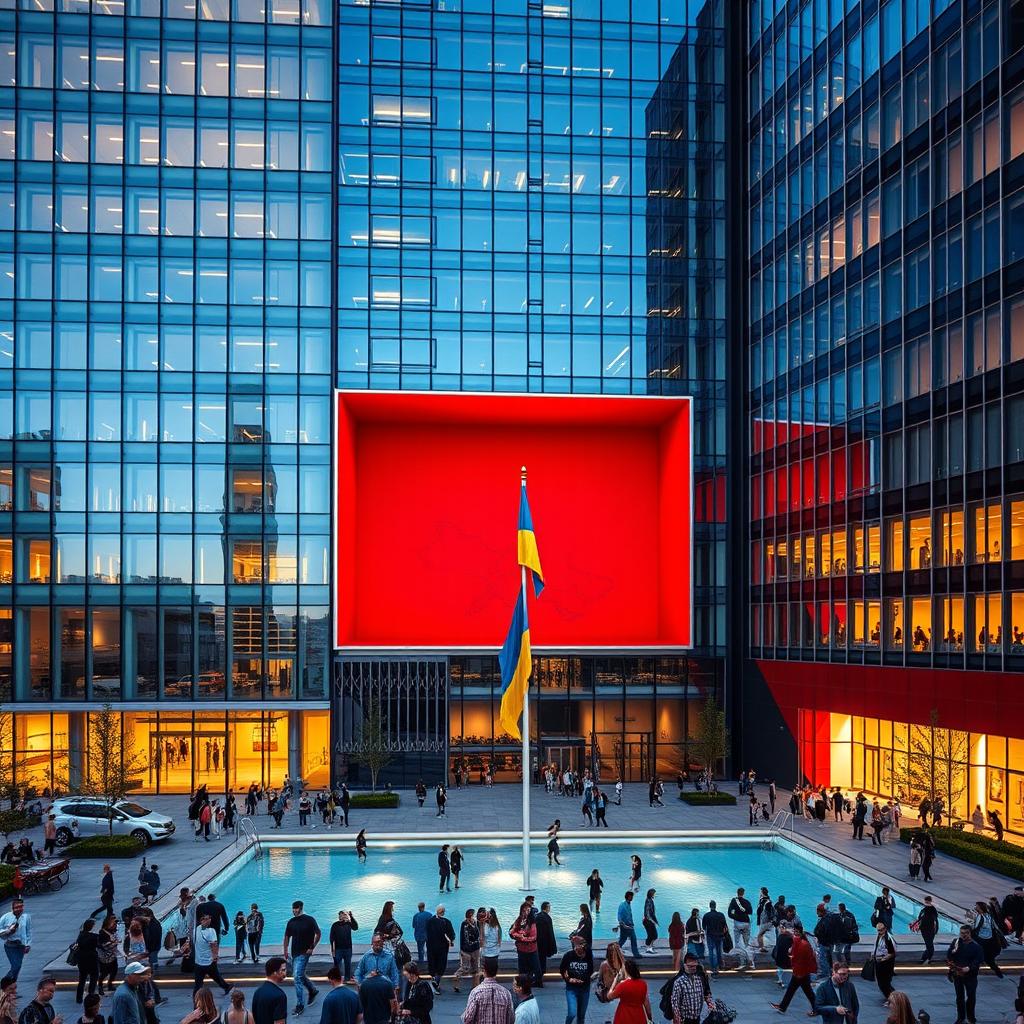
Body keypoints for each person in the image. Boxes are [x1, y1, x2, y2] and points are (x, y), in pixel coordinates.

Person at [769, 922, 816, 1014]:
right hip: (801, 971)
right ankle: (782, 1007)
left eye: (795, 931)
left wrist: (791, 953)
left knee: (803, 991)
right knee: (803, 991)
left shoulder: (802, 944)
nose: (794, 933)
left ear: (799, 932)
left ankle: (782, 1007)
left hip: (800, 972)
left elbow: (797, 955)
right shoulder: (802, 942)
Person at [283, 900, 320, 1014]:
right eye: (293, 908)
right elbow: (287, 936)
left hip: (304, 953)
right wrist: (285, 950)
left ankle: (300, 1005)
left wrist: (312, 947)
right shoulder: (291, 922)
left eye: (296, 908)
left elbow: (318, 933)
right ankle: (312, 990)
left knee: (297, 976)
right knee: (300, 974)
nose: (294, 910)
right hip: (295, 953)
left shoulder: (309, 920)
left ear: (301, 908)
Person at [946, 924, 983, 1024]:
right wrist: (952, 950)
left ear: (970, 933)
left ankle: (971, 1017)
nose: (964, 935)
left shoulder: (976, 947)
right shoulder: (956, 942)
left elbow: (978, 960)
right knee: (959, 997)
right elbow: (949, 956)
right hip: (958, 975)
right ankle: (961, 1017)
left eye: (966, 933)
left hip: (970, 976)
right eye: (962, 933)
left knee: (971, 997)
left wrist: (969, 968)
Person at [192, 911, 232, 997]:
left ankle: (226, 986)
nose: (208, 920)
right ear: (201, 920)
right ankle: (226, 986)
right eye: (206, 919)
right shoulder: (211, 931)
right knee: (212, 976)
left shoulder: (196, 930)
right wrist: (215, 956)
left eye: (209, 918)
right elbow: (214, 945)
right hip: (208, 961)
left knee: (202, 982)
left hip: (199, 962)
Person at [461, 959, 513, 1024]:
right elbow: (510, 1018)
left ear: (484, 971)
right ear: (496, 971)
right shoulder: (506, 993)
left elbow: (467, 1018)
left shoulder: (476, 992)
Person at [668, 953, 714, 1024]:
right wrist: (677, 1018)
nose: (693, 968)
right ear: (685, 965)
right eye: (690, 966)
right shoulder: (679, 981)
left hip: (697, 1017)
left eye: (695, 966)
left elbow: (706, 993)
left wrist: (710, 1004)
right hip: (685, 1019)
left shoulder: (700, 979)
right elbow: (675, 1002)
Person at [559, 934, 593, 1024]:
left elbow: (591, 970)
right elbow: (563, 970)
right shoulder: (568, 955)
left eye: (584, 945)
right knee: (572, 1013)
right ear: (575, 945)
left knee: (581, 1016)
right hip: (571, 988)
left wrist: (584, 979)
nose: (583, 948)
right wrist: (569, 979)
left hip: (585, 988)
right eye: (580, 945)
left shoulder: (589, 955)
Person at [607, 959, 650, 1024]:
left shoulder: (623, 985)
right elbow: (646, 1004)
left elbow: (609, 996)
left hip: (623, 1017)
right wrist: (650, 1017)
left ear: (626, 971)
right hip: (639, 1017)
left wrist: (614, 981)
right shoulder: (643, 984)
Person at [425, 907, 454, 995]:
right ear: (443, 912)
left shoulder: (429, 921)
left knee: (432, 965)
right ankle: (436, 982)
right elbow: (451, 934)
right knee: (441, 966)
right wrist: (451, 941)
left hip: (431, 947)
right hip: (442, 947)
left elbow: (427, 933)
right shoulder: (446, 922)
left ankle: (434, 980)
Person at [970, 900, 1003, 976]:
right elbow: (994, 926)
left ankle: (973, 972)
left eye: (976, 906)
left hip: (981, 940)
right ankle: (997, 971)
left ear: (980, 908)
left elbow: (976, 927)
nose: (975, 907)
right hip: (990, 940)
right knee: (989, 959)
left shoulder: (980, 916)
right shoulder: (989, 916)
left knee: (976, 957)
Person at [509, 904, 540, 987]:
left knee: (534, 968)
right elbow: (511, 932)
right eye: (524, 910)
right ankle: (523, 984)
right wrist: (520, 936)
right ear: (521, 910)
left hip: (531, 950)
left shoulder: (532, 922)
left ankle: (535, 983)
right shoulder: (518, 920)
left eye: (528, 910)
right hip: (521, 949)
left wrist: (521, 938)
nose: (526, 912)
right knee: (522, 969)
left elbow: (533, 937)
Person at [251, 959, 289, 1024]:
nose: (285, 972)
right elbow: (279, 1022)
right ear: (275, 972)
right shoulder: (280, 996)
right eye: (283, 970)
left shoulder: (258, 992)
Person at [452, 910, 480, 994]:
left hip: (475, 949)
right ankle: (456, 978)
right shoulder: (464, 924)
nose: (474, 917)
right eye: (472, 915)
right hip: (466, 950)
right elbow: (466, 938)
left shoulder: (475, 923)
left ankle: (475, 986)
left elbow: (477, 934)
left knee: (476, 968)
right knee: (465, 968)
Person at [74, 919, 101, 1003]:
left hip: (81, 959)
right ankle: (90, 995)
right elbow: (99, 945)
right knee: (94, 977)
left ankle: (79, 998)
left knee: (82, 979)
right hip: (92, 958)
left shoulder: (81, 934)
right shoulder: (94, 936)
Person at [727, 888, 754, 970]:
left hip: (738, 924)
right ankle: (752, 963)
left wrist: (736, 916)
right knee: (747, 943)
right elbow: (750, 912)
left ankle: (742, 963)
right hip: (746, 923)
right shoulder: (747, 902)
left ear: (737, 893)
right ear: (743, 893)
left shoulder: (734, 901)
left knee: (738, 943)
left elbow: (729, 913)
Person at [869, 922, 896, 1004]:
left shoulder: (888, 939)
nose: (879, 932)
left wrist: (882, 959)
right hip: (879, 962)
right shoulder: (880, 936)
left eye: (881, 930)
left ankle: (893, 998)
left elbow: (892, 953)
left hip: (885, 964)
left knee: (885, 983)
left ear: (885, 929)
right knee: (881, 983)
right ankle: (891, 997)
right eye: (878, 930)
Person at [329, 913, 357, 984]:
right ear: (339, 916)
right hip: (338, 949)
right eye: (341, 915)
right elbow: (331, 938)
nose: (342, 917)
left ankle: (347, 979)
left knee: (348, 964)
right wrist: (333, 949)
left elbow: (355, 927)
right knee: (337, 965)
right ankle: (337, 979)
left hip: (348, 948)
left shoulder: (349, 924)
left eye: (344, 915)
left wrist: (351, 916)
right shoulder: (335, 925)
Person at [700, 902, 726, 977]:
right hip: (720, 935)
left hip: (711, 936)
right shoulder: (721, 915)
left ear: (710, 906)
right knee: (719, 951)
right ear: (715, 906)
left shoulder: (706, 915)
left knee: (712, 952)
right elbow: (724, 925)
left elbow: (704, 927)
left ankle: (714, 968)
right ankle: (720, 966)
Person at [535, 903, 557, 984]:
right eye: (549, 907)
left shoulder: (538, 916)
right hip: (544, 944)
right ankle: (539, 980)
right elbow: (550, 933)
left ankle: (538, 979)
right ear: (546, 908)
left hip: (538, 943)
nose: (550, 908)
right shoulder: (547, 918)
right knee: (542, 961)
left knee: (539, 961)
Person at [615, 893, 640, 959]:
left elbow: (629, 915)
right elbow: (619, 915)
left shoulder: (628, 904)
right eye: (631, 896)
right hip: (625, 925)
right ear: (628, 897)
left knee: (624, 939)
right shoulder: (622, 905)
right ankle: (636, 954)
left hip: (629, 925)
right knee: (631, 939)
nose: (632, 898)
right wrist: (622, 924)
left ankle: (615, 950)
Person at [915, 896, 938, 964]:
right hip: (924, 929)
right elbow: (919, 918)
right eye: (925, 902)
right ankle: (926, 958)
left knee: (929, 945)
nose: (926, 903)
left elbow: (935, 920)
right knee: (929, 945)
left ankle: (925, 958)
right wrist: (918, 926)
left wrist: (936, 929)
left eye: (927, 902)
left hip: (930, 930)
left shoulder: (932, 909)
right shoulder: (924, 909)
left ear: (930, 901)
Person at [481, 911, 501, 976]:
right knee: (493, 968)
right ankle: (493, 978)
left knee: (487, 968)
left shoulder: (486, 925)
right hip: (494, 950)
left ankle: (487, 978)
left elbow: (484, 936)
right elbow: (499, 939)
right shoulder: (497, 926)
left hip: (488, 951)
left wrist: (483, 923)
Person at [641, 890, 658, 955]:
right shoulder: (648, 901)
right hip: (648, 921)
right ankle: (649, 948)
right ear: (651, 894)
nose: (655, 895)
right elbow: (647, 914)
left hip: (648, 921)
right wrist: (653, 921)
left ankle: (649, 946)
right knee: (653, 935)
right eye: (654, 894)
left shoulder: (649, 900)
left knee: (652, 935)